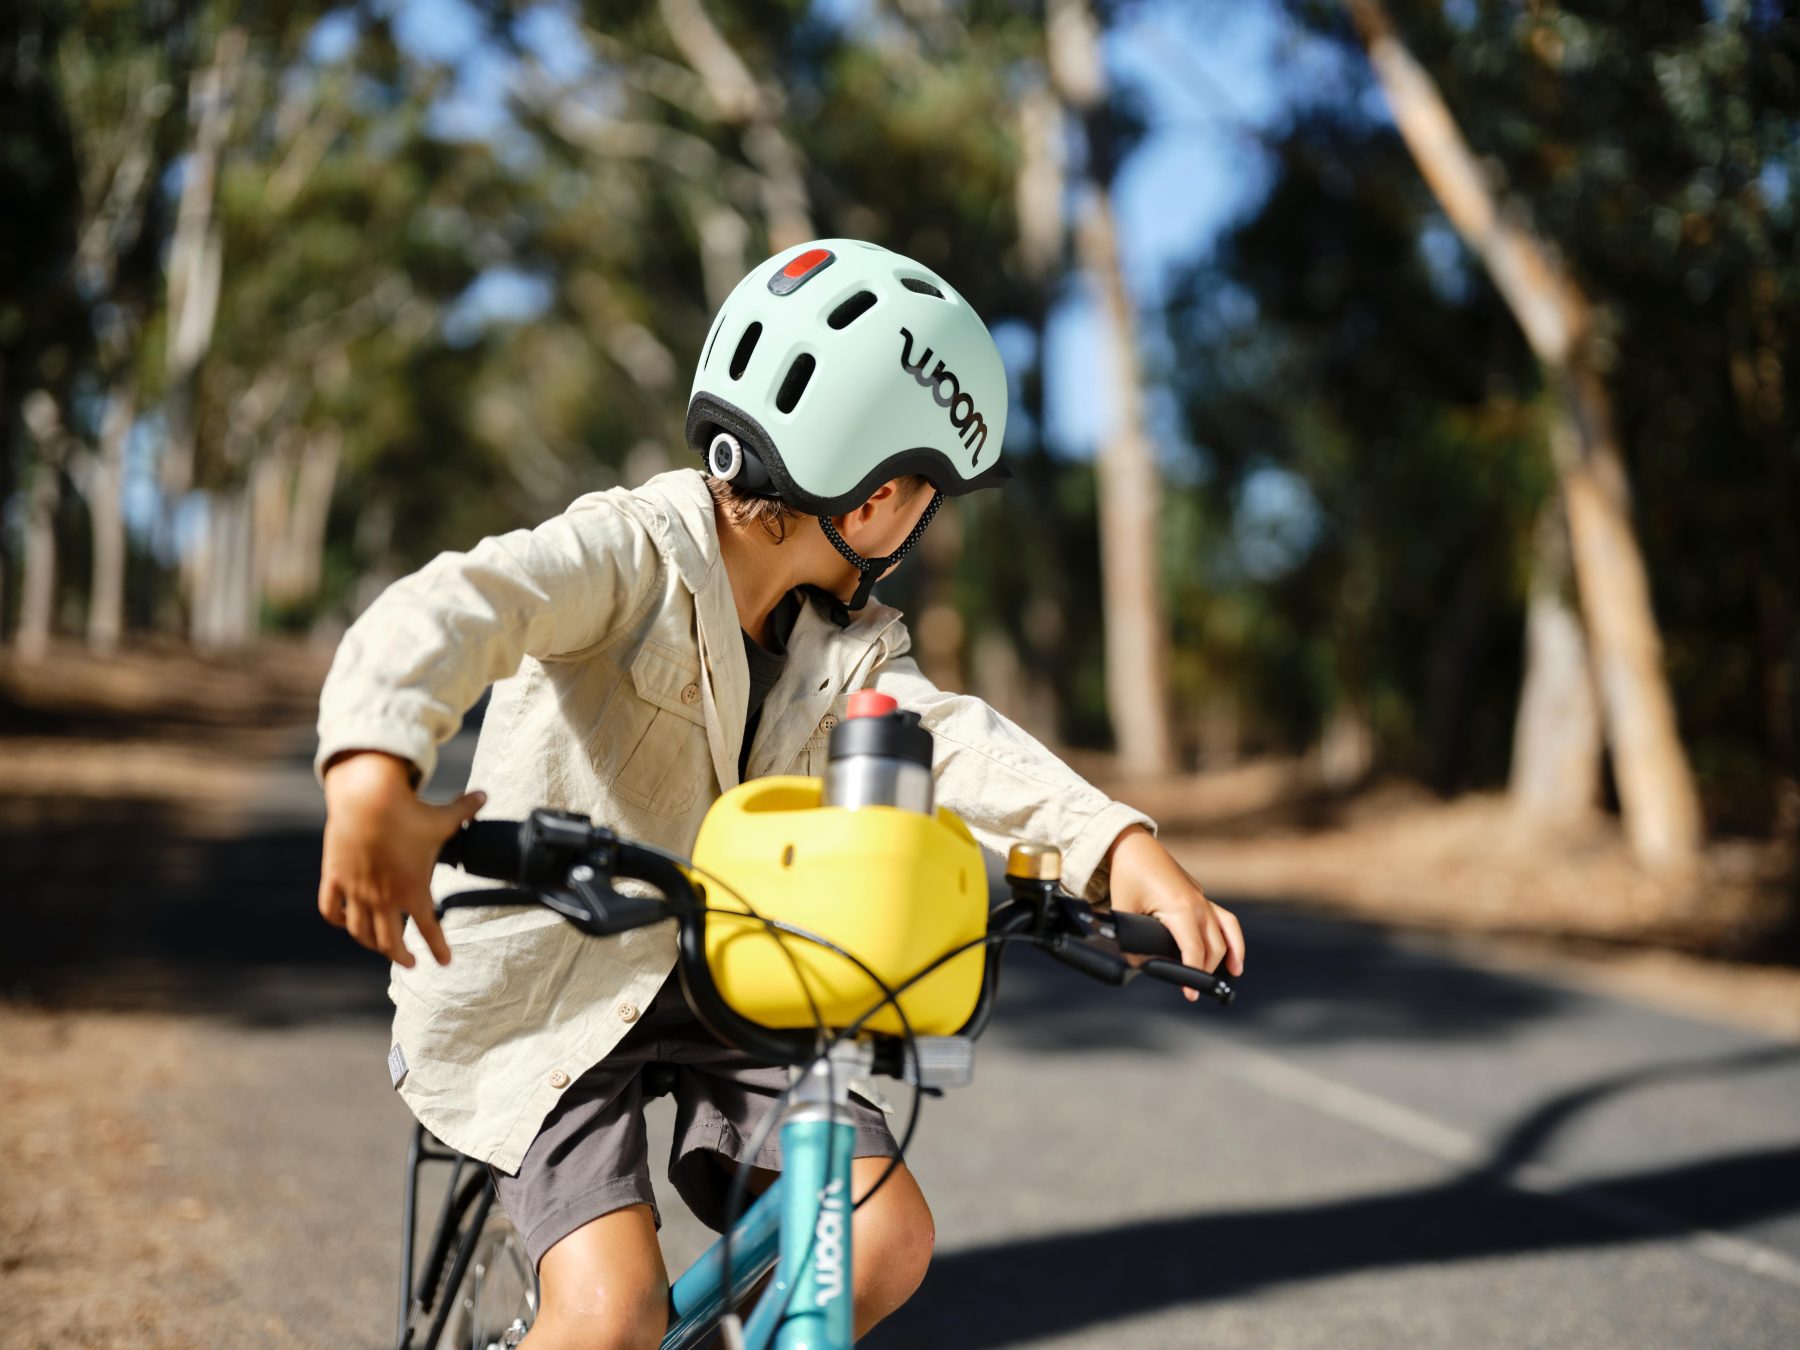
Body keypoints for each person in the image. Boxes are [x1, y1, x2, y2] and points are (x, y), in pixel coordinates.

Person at [314, 238, 1245, 1348]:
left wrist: (1115, 850)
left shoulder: (848, 649)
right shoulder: (632, 555)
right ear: (881, 497)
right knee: (610, 1313)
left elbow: (953, 741)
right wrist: (373, 775)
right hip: (547, 996)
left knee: (879, 1236)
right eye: (929, 494)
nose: (922, 518)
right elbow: (461, 606)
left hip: (726, 992)